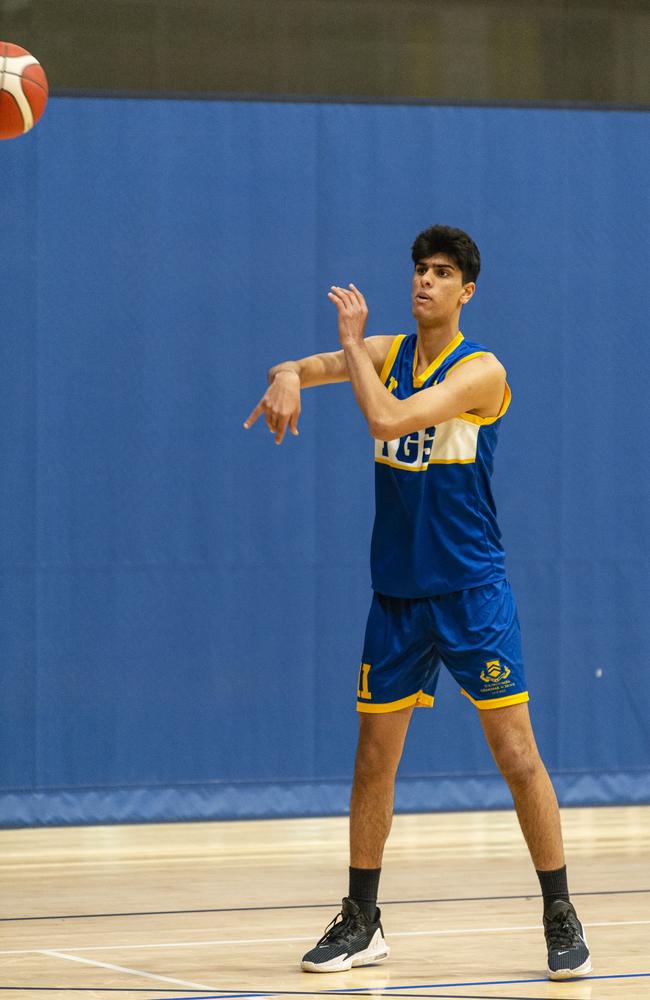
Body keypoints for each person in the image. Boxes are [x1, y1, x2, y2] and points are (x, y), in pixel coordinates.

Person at [244, 225, 591, 982]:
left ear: (466, 290)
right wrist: (288, 375)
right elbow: (300, 365)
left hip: (471, 592)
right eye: (419, 270)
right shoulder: (386, 352)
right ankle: (362, 919)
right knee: (373, 762)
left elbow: (389, 419)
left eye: (441, 273)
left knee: (518, 757)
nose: (424, 281)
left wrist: (350, 345)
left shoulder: (483, 371)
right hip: (398, 597)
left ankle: (559, 910)